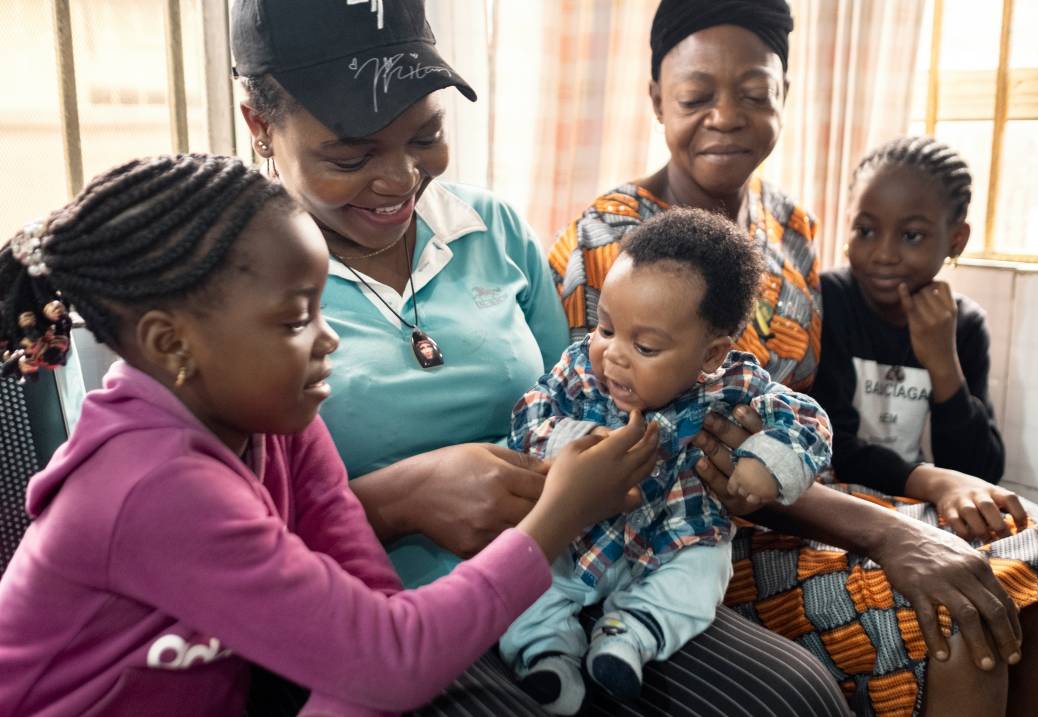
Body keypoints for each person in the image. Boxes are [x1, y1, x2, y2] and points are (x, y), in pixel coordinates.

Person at [232, 1, 851, 715]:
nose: (401, 177)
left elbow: (589, 392)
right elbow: (217, 539)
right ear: (260, 126)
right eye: (351, 156)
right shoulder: (236, 289)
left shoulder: (490, 230)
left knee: (793, 695)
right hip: (380, 603)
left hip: (576, 567)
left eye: (427, 135)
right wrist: (396, 502)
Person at [548, 1, 1038, 715]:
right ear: (656, 100)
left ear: (785, 96)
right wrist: (889, 533)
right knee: (954, 619)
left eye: (754, 93)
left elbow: (813, 415)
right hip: (684, 536)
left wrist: (917, 492)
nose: (726, 116)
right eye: (697, 96)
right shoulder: (616, 238)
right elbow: (649, 451)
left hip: (809, 499)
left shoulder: (789, 227)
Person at [0, 154, 661, 717]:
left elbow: (371, 613)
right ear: (172, 344)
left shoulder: (277, 421)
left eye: (322, 306)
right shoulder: (153, 486)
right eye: (297, 320)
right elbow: (394, 658)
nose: (330, 339)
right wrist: (558, 514)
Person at [500, 208, 832, 715]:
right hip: (579, 531)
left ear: (710, 355)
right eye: (605, 328)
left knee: (703, 572)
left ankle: (630, 635)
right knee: (530, 566)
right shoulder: (579, 370)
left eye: (645, 346)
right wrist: (569, 441)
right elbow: (531, 412)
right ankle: (546, 654)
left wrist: (767, 462)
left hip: (675, 537)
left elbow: (809, 422)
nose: (613, 355)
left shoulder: (735, 385)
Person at [813, 136, 1025, 541]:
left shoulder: (963, 324)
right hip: (832, 503)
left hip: (915, 500)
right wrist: (932, 482)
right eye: (865, 230)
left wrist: (944, 363)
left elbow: (978, 471)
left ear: (956, 240)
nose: (883, 254)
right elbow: (828, 445)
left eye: (911, 235)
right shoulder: (825, 301)